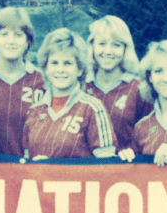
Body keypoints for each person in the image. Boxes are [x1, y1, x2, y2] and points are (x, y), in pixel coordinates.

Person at [24, 28, 116, 160]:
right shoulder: (34, 111)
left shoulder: (93, 108)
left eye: (67, 63)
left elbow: (107, 167)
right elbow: (25, 164)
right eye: (54, 63)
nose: (60, 70)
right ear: (46, 69)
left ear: (79, 69)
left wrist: (54, 169)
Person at [0, 7, 45, 156]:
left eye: (18, 35)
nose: (11, 41)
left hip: (31, 170)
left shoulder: (43, 81)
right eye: (4, 34)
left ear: (28, 41)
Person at [83, 15, 151, 152]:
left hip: (127, 169)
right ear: (92, 46)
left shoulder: (139, 89)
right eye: (102, 44)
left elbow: (150, 135)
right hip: (85, 170)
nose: (108, 51)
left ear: (126, 49)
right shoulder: (80, 87)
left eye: (116, 45)